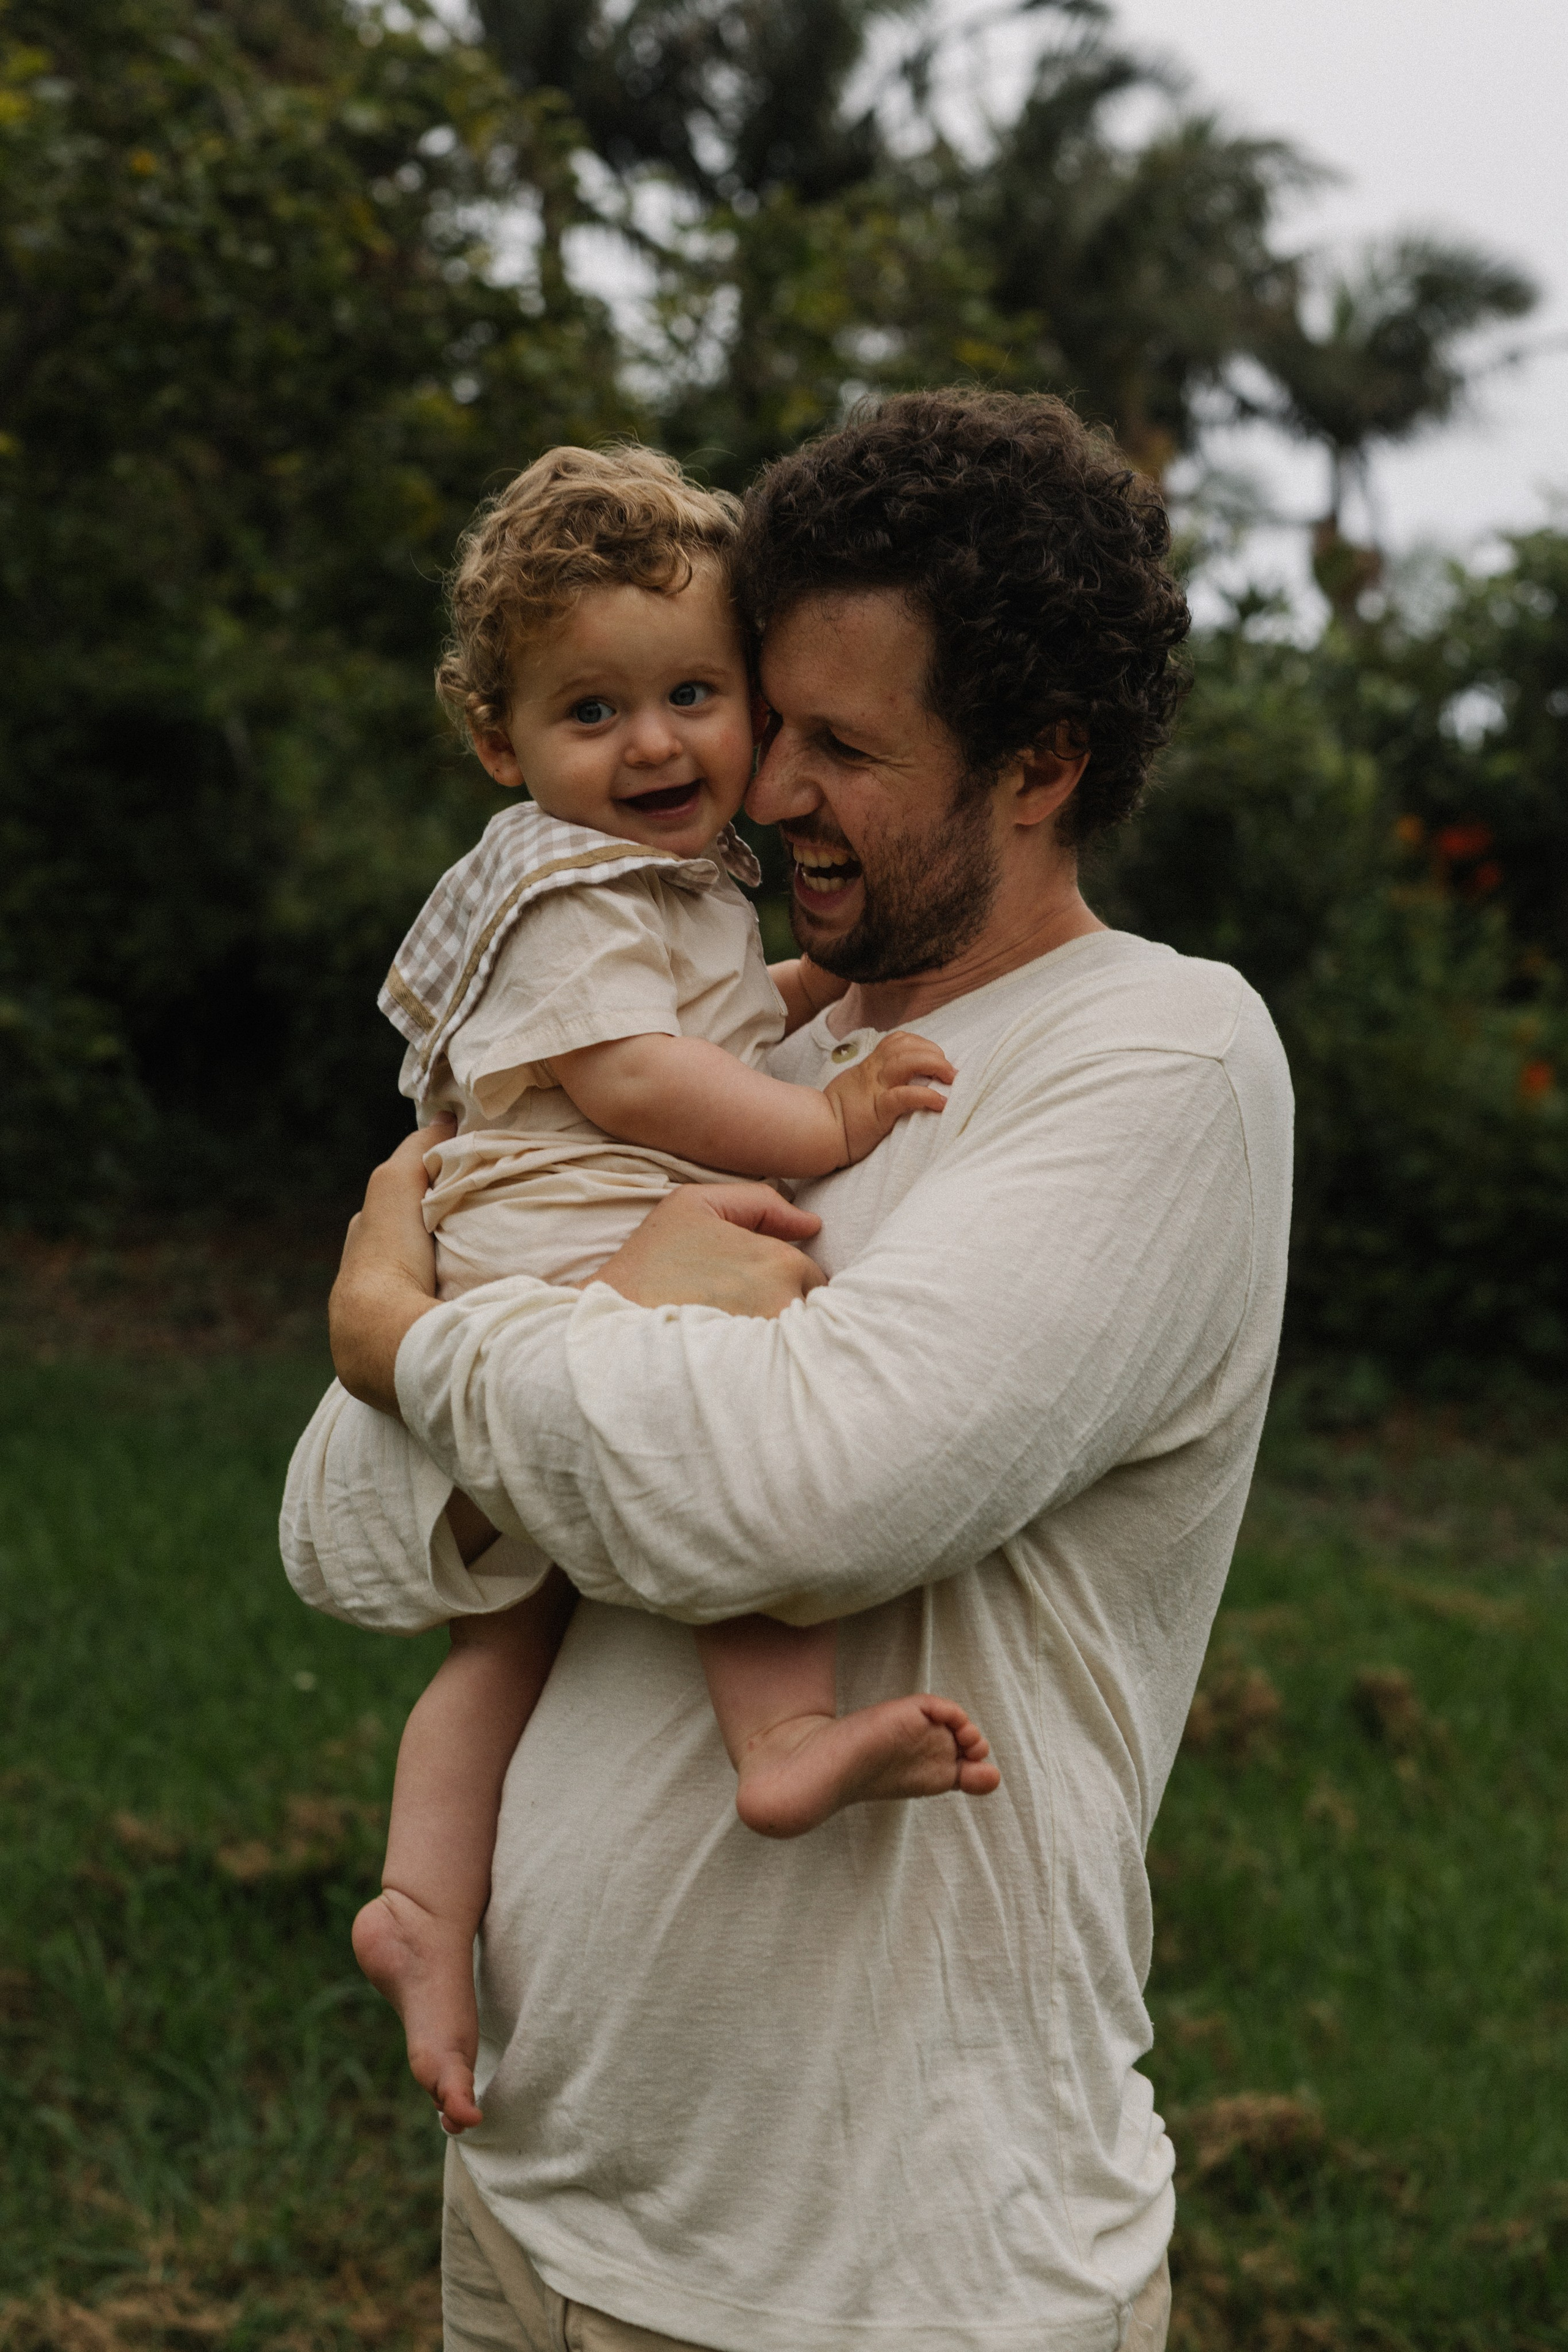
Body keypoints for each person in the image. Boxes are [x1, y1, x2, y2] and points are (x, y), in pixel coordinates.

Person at [282, 388, 1294, 2352]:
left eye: (844, 747)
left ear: (1040, 766)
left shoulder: (1158, 1060)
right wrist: (535, 1355)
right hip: (534, 2200)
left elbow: (798, 1499)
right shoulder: (742, 1048)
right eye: (779, 721)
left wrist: (419, 1339)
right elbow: (343, 1535)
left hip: (873, 2269)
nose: (764, 793)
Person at [356, 441, 998, 2139]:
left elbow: (698, 1012)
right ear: (503, 742)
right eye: (594, 712)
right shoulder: (568, 887)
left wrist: (808, 981)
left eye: (697, 693)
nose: (655, 744)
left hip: (514, 1263)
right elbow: (643, 1079)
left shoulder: (659, 889)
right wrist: (824, 1112)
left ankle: (421, 1908)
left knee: (502, 1643)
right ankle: (779, 1732)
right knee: (728, 1376)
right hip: (563, 1238)